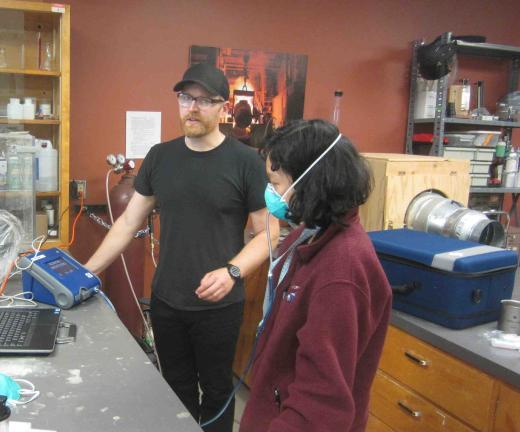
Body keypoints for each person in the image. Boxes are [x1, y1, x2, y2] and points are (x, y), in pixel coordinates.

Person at [84, 62, 278, 432]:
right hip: (168, 301)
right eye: (186, 98)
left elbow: (269, 232)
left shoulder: (246, 162)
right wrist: (86, 271)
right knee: (175, 390)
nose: (193, 107)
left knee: (218, 392)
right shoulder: (160, 156)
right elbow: (127, 222)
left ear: (223, 107)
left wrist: (232, 271)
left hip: (219, 306)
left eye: (205, 100)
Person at [239, 119, 392, 432]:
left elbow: (320, 405)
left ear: (310, 183)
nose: (271, 193)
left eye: (277, 183)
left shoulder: (341, 271)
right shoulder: (308, 235)